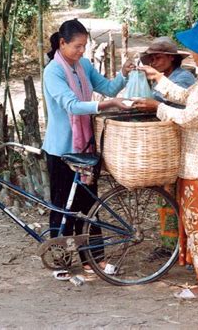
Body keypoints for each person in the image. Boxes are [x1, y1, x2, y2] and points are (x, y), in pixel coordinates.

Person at [133, 18, 198, 301]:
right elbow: (188, 97)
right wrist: (160, 80)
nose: (192, 54)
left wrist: (158, 107)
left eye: (195, 49)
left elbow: (189, 117)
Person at [42, 19, 135, 280]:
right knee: (63, 206)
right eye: (77, 46)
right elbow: (71, 106)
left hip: (84, 148)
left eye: (84, 46)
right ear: (62, 43)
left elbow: (105, 88)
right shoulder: (53, 72)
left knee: (90, 204)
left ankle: (94, 259)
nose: (82, 51)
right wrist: (105, 106)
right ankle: (60, 260)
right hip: (61, 150)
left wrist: (123, 75)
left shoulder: (82, 65)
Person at [140, 37, 196, 254]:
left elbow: (175, 104)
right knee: (166, 196)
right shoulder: (161, 78)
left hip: (181, 143)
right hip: (165, 145)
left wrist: (154, 104)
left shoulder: (182, 79)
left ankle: (187, 249)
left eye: (159, 57)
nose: (154, 61)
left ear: (172, 58)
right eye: (152, 57)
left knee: (182, 197)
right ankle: (170, 246)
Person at [139, 36, 195, 108]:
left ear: (171, 57)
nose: (154, 63)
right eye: (152, 59)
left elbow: (171, 99)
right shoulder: (159, 78)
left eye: (158, 58)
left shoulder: (184, 77)